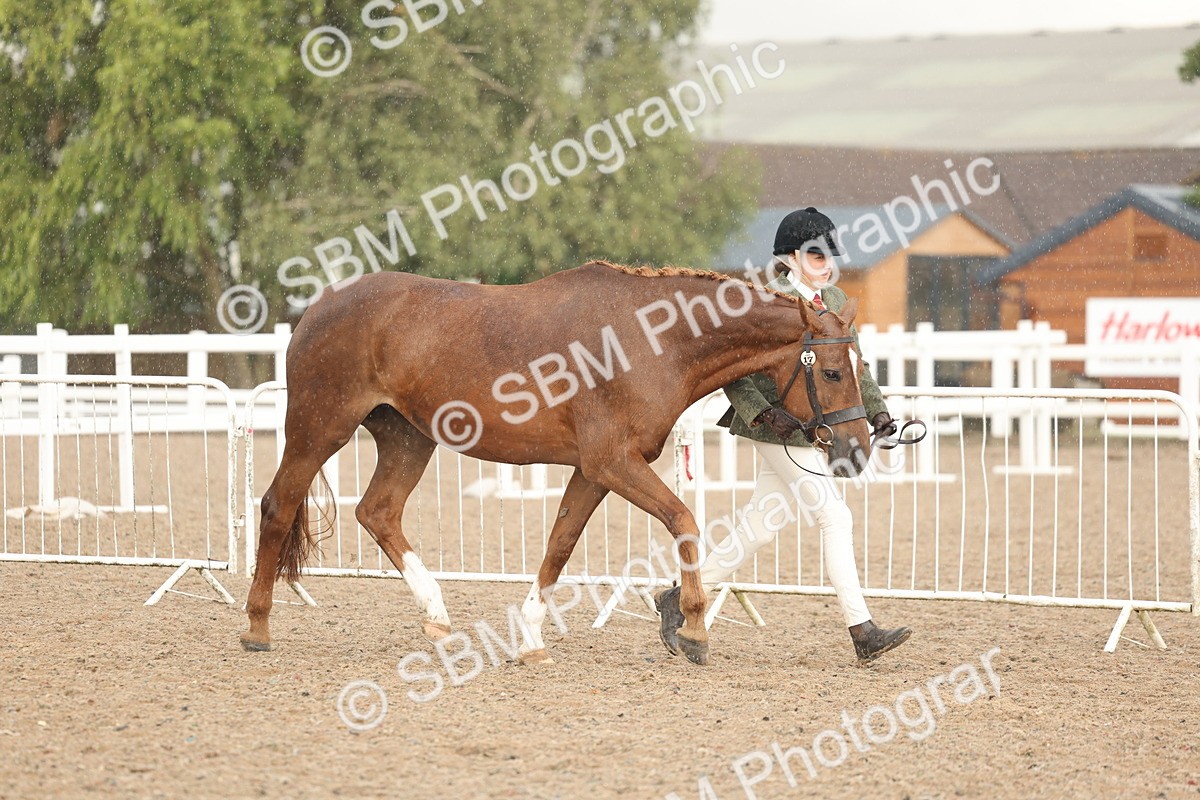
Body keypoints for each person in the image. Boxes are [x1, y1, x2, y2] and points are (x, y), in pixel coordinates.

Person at [657, 207, 912, 664]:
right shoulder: (768, 301)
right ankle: (862, 630)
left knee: (761, 524)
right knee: (835, 518)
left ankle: (679, 597)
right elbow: (733, 369)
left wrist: (878, 414)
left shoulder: (834, 299)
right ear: (791, 258)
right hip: (776, 429)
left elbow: (853, 369)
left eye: (830, 256)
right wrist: (765, 413)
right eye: (817, 257)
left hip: (811, 428)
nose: (827, 266)